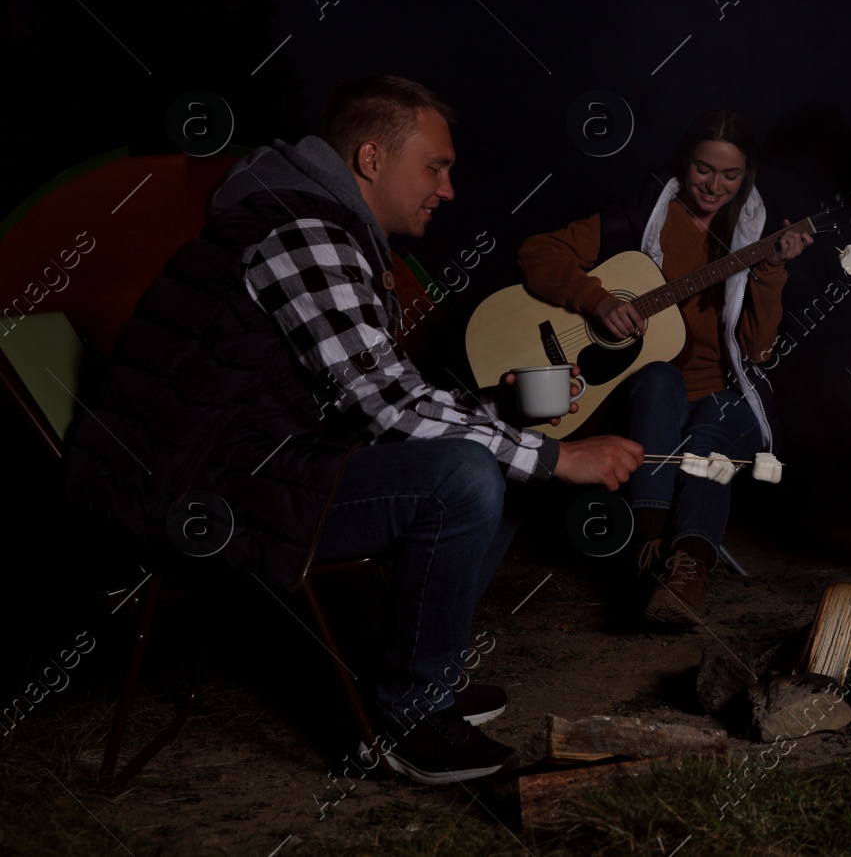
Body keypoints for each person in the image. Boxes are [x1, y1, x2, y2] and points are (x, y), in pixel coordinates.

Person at [64, 76, 642, 783]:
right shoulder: (301, 233)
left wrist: (504, 407)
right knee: (470, 472)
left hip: (261, 465)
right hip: (190, 493)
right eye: (436, 166)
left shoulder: (330, 231)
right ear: (371, 159)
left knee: (498, 460)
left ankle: (413, 677)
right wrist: (556, 455)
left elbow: (370, 396)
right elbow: (389, 407)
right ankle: (403, 717)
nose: (449, 189)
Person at [516, 110, 811, 624]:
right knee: (657, 377)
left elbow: (759, 351)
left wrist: (771, 270)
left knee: (712, 433)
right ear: (684, 163)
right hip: (646, 398)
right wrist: (597, 299)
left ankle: (686, 574)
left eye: (730, 175)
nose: (714, 186)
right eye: (703, 169)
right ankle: (647, 551)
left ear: (748, 177)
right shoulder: (638, 217)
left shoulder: (752, 234)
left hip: (721, 396)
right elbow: (537, 252)